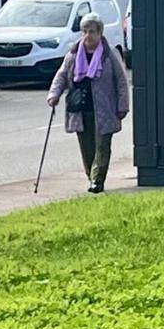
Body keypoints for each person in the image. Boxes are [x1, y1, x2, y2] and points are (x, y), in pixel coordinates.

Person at [47, 12, 129, 193]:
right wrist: (54, 95)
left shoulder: (109, 55)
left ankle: (97, 181)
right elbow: (61, 76)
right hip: (81, 108)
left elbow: (121, 81)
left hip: (105, 109)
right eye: (84, 31)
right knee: (87, 148)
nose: (87, 36)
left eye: (92, 31)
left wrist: (123, 105)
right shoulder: (74, 54)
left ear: (100, 33)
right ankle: (91, 176)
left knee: (102, 146)